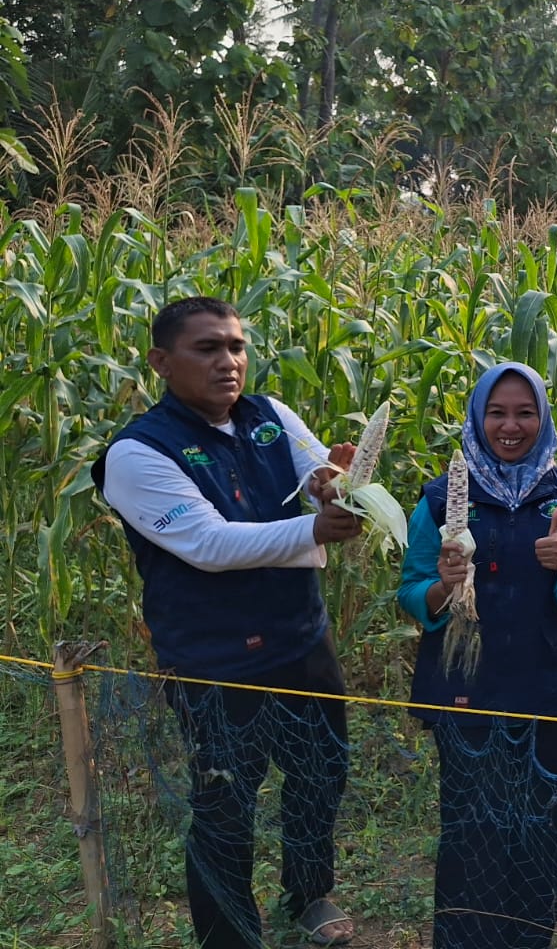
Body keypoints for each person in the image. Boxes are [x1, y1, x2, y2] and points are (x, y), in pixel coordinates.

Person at [92, 296, 361, 948]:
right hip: (214, 657)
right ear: (161, 362)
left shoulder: (270, 415)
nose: (228, 361)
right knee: (225, 802)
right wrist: (315, 528)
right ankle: (229, 936)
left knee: (321, 770)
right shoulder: (136, 453)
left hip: (300, 636)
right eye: (207, 348)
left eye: (236, 347)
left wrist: (331, 487)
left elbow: (313, 477)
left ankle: (308, 893)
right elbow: (207, 544)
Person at [396, 362, 557, 949]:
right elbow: (411, 592)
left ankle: (530, 936)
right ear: (477, 418)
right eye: (497, 413)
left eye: (525, 413)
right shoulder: (441, 499)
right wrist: (443, 586)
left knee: (543, 823)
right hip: (466, 689)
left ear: (543, 418)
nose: (510, 426)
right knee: (473, 829)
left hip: (543, 687)